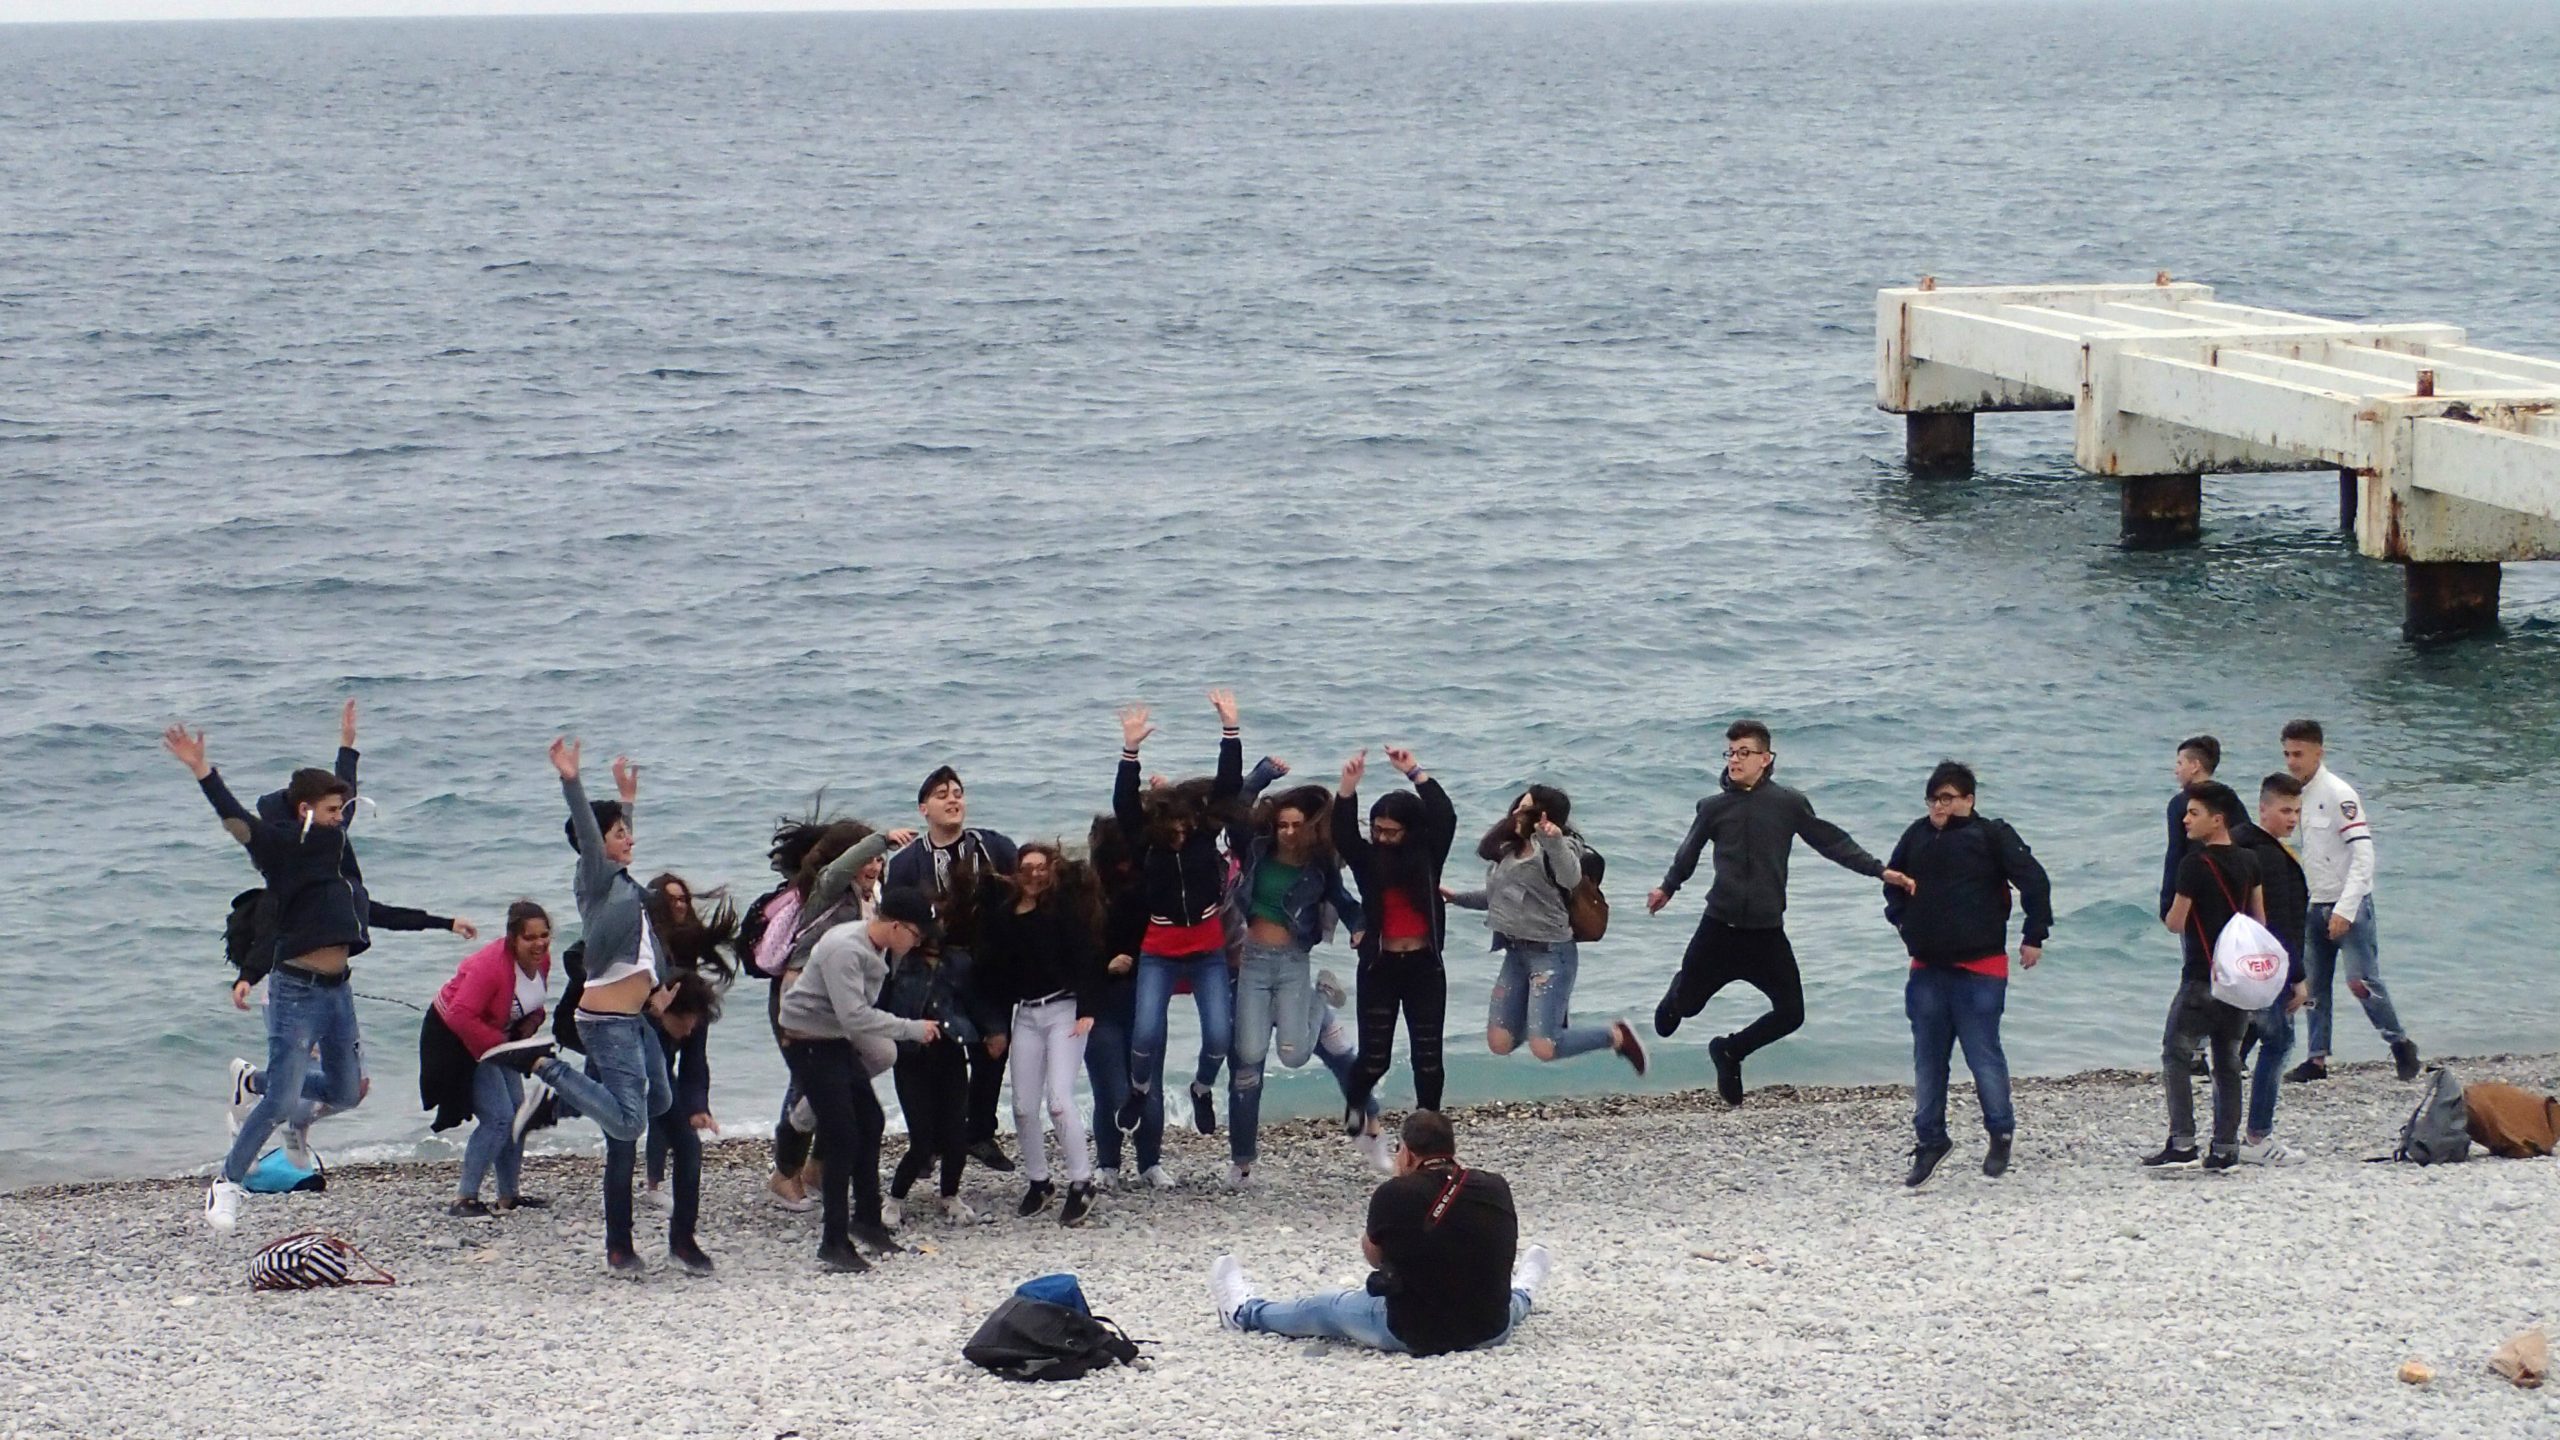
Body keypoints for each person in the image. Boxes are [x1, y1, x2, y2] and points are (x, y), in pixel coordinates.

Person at [166, 703, 478, 1231]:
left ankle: (256, 1083)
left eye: (342, 810)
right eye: (332, 811)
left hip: (338, 991)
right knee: (286, 1096)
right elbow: (237, 823)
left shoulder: (336, 853)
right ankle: (228, 1181)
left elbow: (350, 809)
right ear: (307, 810)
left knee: (345, 1090)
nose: (343, 818)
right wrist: (203, 771)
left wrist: (348, 744)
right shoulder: (281, 851)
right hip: (295, 992)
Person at [1647, 720, 1913, 1105]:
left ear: (1766, 759)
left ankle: (1730, 1051)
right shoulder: (1713, 808)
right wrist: (1668, 887)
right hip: (1718, 929)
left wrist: (1879, 870)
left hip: (1766, 933)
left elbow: (1830, 840)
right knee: (1682, 1011)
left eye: (1744, 752)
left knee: (1791, 1013)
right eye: (1731, 752)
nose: (1735, 760)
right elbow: (1688, 852)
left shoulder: (1787, 803)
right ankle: (1678, 992)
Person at [521, 736, 689, 1276]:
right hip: (606, 1023)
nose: (629, 838)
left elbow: (639, 948)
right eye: (620, 833)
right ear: (597, 844)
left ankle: (562, 1101)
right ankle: (547, 1071)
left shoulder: (624, 884)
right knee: (628, 1125)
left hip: (636, 1020)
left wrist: (626, 800)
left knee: (660, 1100)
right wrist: (573, 781)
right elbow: (594, 837)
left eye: (628, 831)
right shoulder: (595, 878)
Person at [1209, 1110, 1550, 1356]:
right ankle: (1524, 1291)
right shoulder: (1494, 1185)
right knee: (1509, 1300)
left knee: (1326, 1307)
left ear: (1408, 1152)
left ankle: (1244, 1312)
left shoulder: (1394, 1193)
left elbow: (1374, 1256)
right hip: (1491, 1327)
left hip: (1413, 1332)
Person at [1881, 762, 2052, 1186]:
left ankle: (2000, 1131)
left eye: (1948, 798)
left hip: (1981, 968)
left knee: (1983, 1056)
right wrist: (1901, 920)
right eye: (1933, 798)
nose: (1939, 806)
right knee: (1928, 1061)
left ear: (1969, 800)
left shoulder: (1992, 835)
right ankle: (1931, 1141)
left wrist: (2034, 935)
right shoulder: (1916, 834)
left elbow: (2034, 882)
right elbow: (1892, 881)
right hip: (1927, 968)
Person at [1108, 692, 1246, 1183]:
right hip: (1160, 950)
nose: (1182, 830)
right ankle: (1140, 1091)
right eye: (1174, 822)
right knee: (1145, 1032)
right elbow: (1123, 803)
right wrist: (1130, 751)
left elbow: (1230, 787)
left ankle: (1202, 1089)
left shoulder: (1207, 836)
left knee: (1219, 1037)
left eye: (1189, 821)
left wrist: (1230, 729)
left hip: (1207, 948)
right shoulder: (1145, 841)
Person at [1226, 764, 1382, 1185]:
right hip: (1253, 962)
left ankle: (1321, 996)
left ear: (1308, 828)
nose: (1288, 832)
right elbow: (1235, 810)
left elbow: (1346, 902)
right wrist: (1260, 776)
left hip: (1294, 962)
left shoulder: (1318, 868)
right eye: (1282, 825)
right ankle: (1241, 1164)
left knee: (1294, 1056)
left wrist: (1361, 927)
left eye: (1296, 825)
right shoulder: (1257, 850)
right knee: (1250, 1055)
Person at [777, 885, 944, 1272]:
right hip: (810, 1042)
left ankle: (867, 1222)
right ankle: (832, 1242)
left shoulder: (877, 945)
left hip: (835, 1038)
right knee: (843, 1135)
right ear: (898, 926)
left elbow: (853, 1019)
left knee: (871, 1120)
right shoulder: (846, 950)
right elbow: (854, 1015)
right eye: (917, 936)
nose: (917, 944)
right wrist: (912, 1028)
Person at [1452, 785, 1646, 1082]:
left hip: (1551, 955)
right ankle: (1551, 1020)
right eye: (1518, 805)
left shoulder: (1561, 847)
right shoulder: (1510, 850)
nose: (1517, 812)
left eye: (1525, 808)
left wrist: (1552, 840)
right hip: (1515, 953)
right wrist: (1456, 898)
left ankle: (1616, 1036)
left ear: (1544, 816)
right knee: (1499, 1042)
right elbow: (1498, 898)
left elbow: (1570, 877)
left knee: (1544, 1047)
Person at [761, 820, 907, 1210]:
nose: (873, 865)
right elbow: (841, 867)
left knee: (878, 1057)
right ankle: (784, 1174)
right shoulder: (826, 890)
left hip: (845, 1002)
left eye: (879, 859)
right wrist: (880, 838)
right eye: (867, 859)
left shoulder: (872, 898)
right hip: (800, 997)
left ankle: (815, 1167)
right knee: (807, 1082)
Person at [886, 766, 1020, 1175]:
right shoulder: (909, 862)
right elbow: (897, 917)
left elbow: (1016, 899)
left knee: (993, 1047)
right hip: (933, 967)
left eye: (958, 792)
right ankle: (926, 1142)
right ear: (924, 808)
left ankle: (979, 1132)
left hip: (986, 961)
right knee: (931, 1052)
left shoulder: (992, 847)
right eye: (942, 794)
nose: (953, 799)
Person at [1332, 743, 1459, 1156]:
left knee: (1429, 1058)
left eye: (1390, 831)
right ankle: (1355, 1103)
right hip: (1380, 967)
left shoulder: (1428, 856)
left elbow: (1445, 815)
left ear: (1409, 830)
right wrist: (1347, 789)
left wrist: (1414, 771)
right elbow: (1343, 835)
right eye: (1377, 829)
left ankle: (1430, 1131)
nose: (1382, 837)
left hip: (1424, 965)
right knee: (1374, 1058)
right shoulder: (1369, 860)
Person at [2280, 720, 2420, 1083]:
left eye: (2298, 754)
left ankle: (2399, 1043)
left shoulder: (2339, 794)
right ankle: (2316, 1058)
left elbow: (2363, 855)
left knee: (2362, 982)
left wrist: (2345, 908)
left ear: (2318, 752)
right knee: (2312, 988)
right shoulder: (2297, 797)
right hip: (2315, 904)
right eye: (2287, 754)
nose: (2292, 762)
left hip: (2348, 906)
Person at [977, 842, 1106, 1224]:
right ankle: (1039, 1180)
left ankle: (1082, 1182)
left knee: (1059, 1101)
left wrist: (1088, 1010)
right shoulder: (1005, 916)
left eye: (1040, 868)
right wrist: (993, 1025)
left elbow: (1088, 959)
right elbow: (994, 973)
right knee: (1022, 1105)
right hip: (1026, 1013)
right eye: (1026, 868)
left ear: (1051, 871)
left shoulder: (1064, 912)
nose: (1034, 876)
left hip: (1064, 1009)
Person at [2150, 780, 2266, 1172]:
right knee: (2228, 1061)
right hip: (2237, 979)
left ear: (2218, 820)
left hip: (2202, 974)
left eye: (2194, 813)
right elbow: (2259, 921)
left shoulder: (2194, 864)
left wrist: (2168, 912)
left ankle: (2182, 1141)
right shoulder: (2250, 861)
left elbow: (2176, 922)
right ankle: (2225, 1147)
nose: (2185, 819)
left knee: (2175, 1053)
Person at [425, 901, 558, 1217]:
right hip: (455, 1038)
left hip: (499, 1037)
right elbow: (459, 1015)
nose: (539, 943)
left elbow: (531, 1004)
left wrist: (530, 1026)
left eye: (544, 935)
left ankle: (508, 1195)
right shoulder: (490, 966)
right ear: (513, 938)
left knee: (518, 1113)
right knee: (498, 1117)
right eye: (530, 937)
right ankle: (464, 1198)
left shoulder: (542, 960)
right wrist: (502, 1047)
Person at [637, 874, 737, 1273]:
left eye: (684, 900)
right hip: (626, 1054)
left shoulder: (692, 1002)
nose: (680, 907)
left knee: (687, 1141)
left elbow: (696, 1061)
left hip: (673, 1020)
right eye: (671, 901)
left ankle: (683, 1242)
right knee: (623, 1140)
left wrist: (697, 1106)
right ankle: (621, 1243)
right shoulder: (645, 951)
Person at [2232, 774, 2314, 1165]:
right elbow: (2278, 923)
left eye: (2297, 811)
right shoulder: (2270, 858)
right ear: (2262, 809)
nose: (2292, 818)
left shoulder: (2239, 844)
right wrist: (2297, 976)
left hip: (2241, 967)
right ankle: (2257, 1136)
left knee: (2237, 1048)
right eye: (2285, 810)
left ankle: (2224, 1131)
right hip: (2270, 968)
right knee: (2278, 1043)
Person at [1083, 813, 1153, 1187]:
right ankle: (1108, 1162)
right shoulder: (1088, 891)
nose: (1124, 865)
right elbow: (1077, 951)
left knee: (1146, 1085)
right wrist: (1105, 965)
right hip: (1102, 996)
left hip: (1143, 991)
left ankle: (1149, 1163)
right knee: (1111, 1087)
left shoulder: (1147, 883)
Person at [2159, 736, 2221, 919]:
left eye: (2180, 763)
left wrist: (2167, 904)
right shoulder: (2228, 798)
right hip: (2226, 890)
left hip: (2193, 893)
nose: (2175, 770)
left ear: (2194, 766)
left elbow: (2175, 853)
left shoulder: (2180, 804)